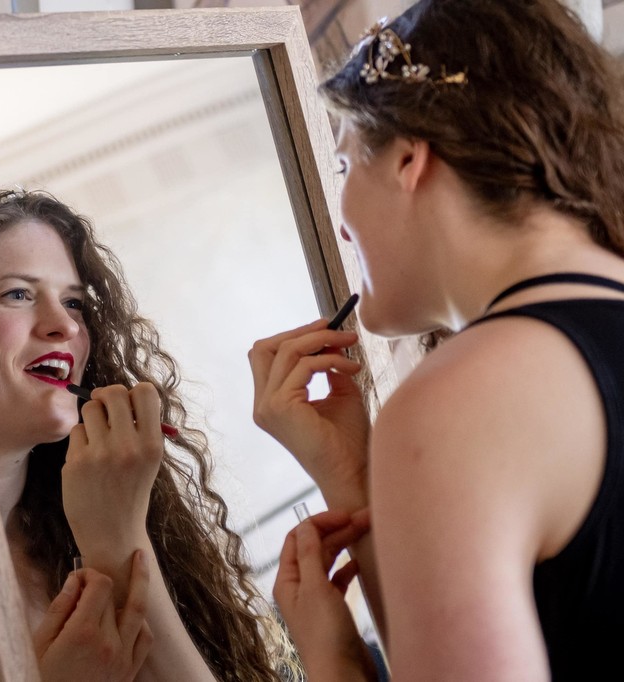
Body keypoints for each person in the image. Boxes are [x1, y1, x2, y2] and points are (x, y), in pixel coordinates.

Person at [248, 0, 624, 679]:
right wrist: (357, 480)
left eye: (342, 166)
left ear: (408, 159)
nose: (340, 223)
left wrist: (333, 659)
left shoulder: (463, 400)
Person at [0, 189, 302, 681]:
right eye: (16, 293)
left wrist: (118, 537)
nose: (64, 325)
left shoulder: (72, 534)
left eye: (74, 302)